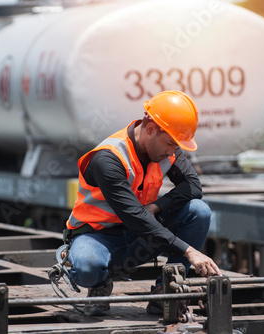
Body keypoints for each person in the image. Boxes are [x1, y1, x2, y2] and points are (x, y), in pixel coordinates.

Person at [65, 90, 221, 316]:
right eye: (170, 143)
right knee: (88, 266)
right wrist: (188, 251)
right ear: (150, 129)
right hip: (99, 236)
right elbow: (134, 217)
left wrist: (157, 206)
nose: (172, 151)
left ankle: (164, 291)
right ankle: (99, 285)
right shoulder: (108, 158)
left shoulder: (168, 149)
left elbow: (194, 187)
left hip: (139, 236)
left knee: (199, 212)